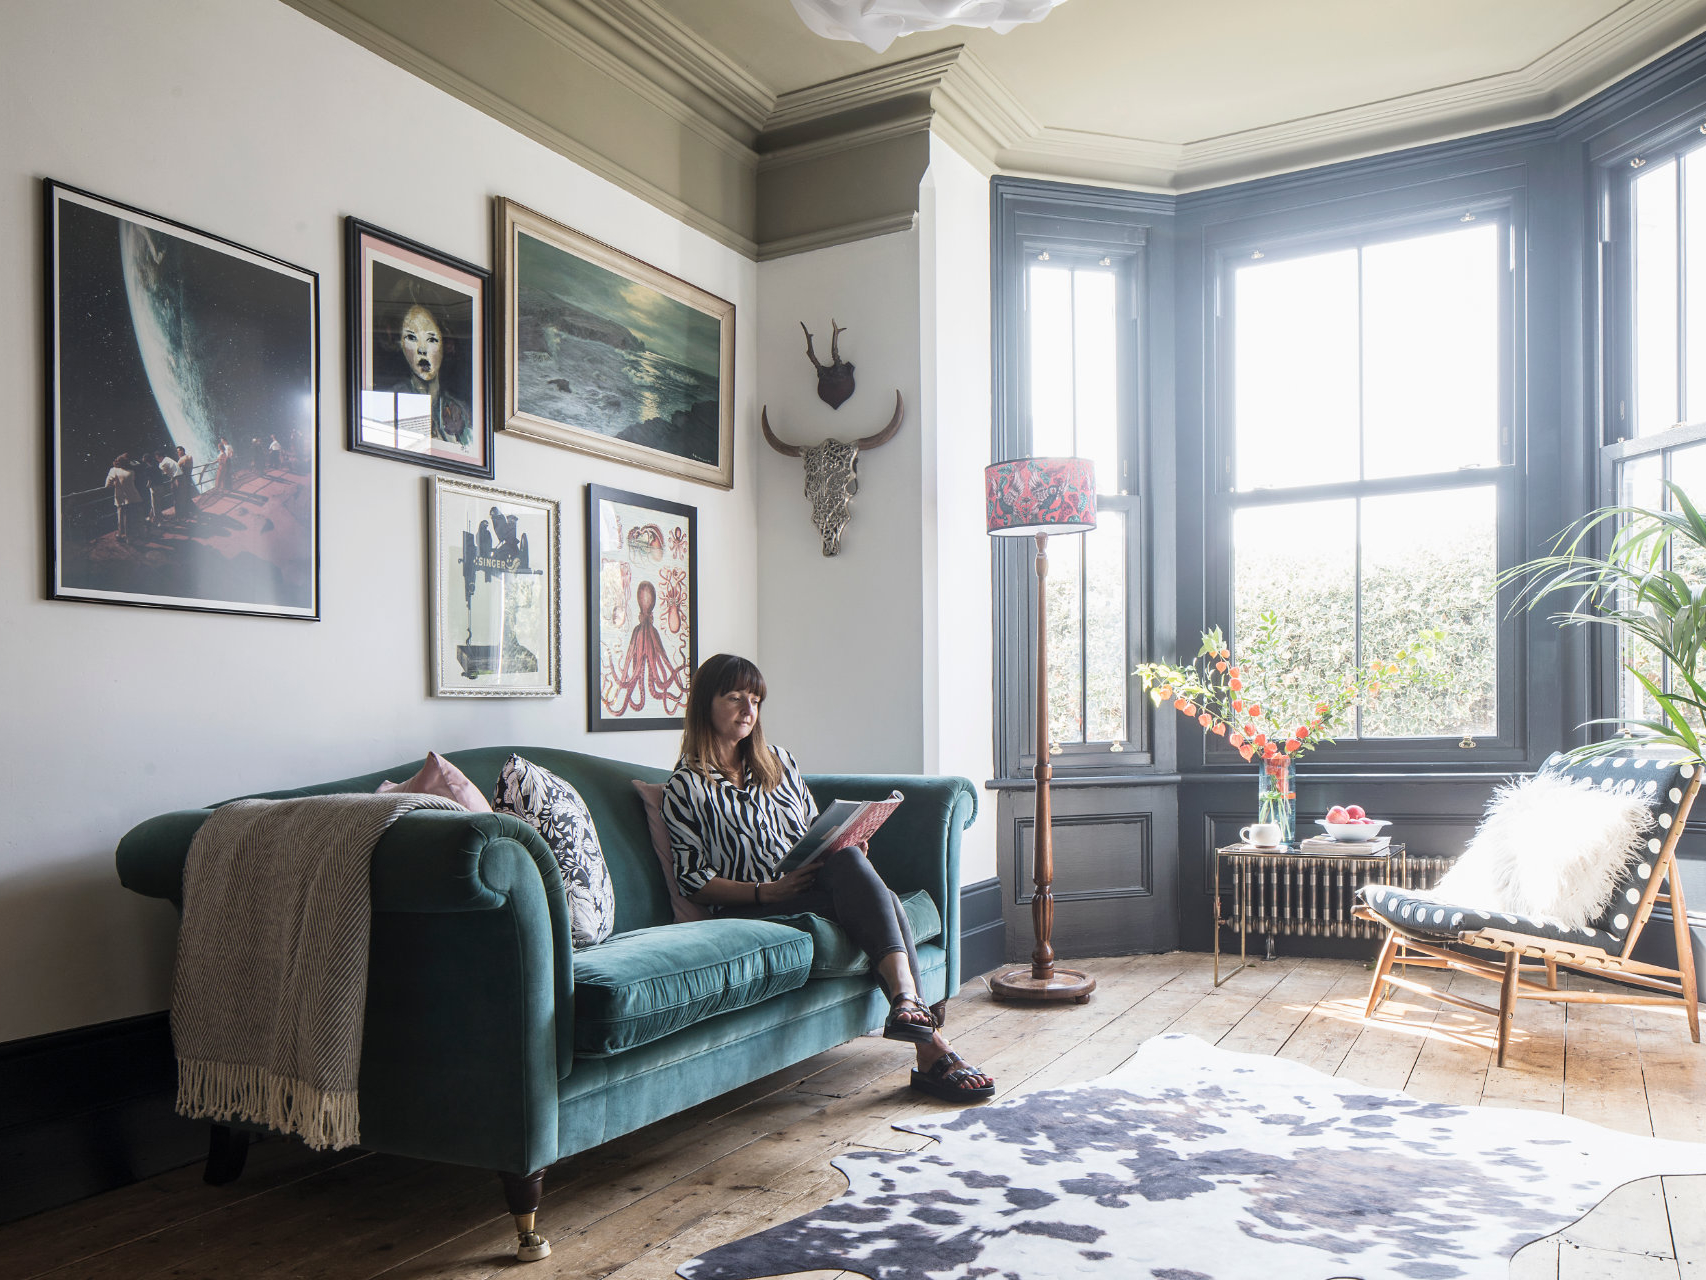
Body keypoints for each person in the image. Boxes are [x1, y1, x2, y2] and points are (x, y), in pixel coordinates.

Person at [661, 654, 995, 1103]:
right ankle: (927, 1040)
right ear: (705, 703)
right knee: (884, 900)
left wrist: (847, 841)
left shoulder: (777, 762)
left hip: (811, 884)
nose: (748, 710)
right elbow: (692, 878)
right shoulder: (685, 786)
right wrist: (766, 891)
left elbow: (810, 828)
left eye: (755, 700)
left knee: (850, 864)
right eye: (735, 698)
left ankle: (913, 1017)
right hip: (756, 903)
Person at [387, 300, 473, 449]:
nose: (422, 349)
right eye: (411, 338)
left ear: (446, 345)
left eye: (431, 339)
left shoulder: (463, 411)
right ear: (400, 343)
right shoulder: (391, 403)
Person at [103, 454, 141, 543]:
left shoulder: (114, 470)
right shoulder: (131, 472)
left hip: (121, 498)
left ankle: (122, 535)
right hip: (133, 497)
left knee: (121, 518)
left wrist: (115, 483)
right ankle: (129, 536)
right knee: (129, 518)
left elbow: (107, 485)